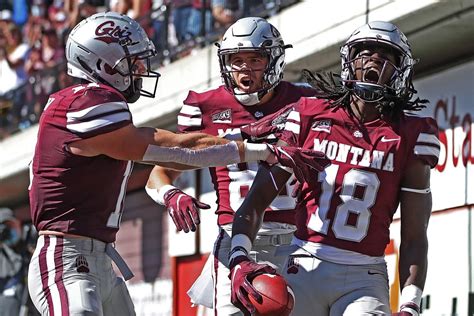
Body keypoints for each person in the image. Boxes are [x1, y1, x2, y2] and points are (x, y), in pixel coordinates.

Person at [26, 12, 325, 316]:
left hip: (101, 257)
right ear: (105, 63)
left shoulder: (306, 100)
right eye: (133, 61)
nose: (141, 69)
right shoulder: (87, 101)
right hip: (68, 256)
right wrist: (260, 150)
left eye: (255, 59)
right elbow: (177, 149)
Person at [229, 21, 440, 315]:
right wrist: (238, 258)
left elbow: (416, 235)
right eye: (364, 52)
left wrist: (410, 304)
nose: (374, 60)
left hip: (363, 277)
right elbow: (257, 200)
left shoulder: (413, 134)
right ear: (348, 63)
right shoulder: (309, 116)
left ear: (400, 71)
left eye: (385, 56)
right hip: (304, 263)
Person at [145, 17, 321, 314]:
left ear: (274, 59)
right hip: (235, 238)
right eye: (235, 60)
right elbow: (159, 172)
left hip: (298, 242)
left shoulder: (306, 99)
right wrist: (171, 194)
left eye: (254, 59)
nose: (244, 69)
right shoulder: (205, 105)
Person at [0, 207, 23, 316]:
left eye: (11, 225)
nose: (10, 231)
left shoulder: (31, 248)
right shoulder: (2, 255)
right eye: (5, 228)